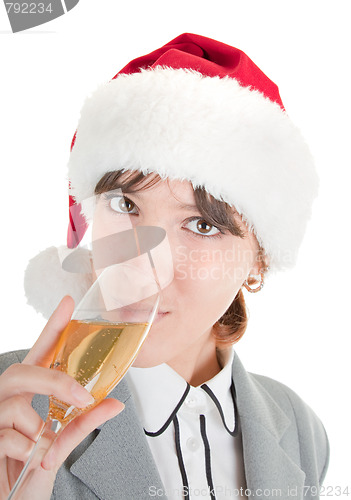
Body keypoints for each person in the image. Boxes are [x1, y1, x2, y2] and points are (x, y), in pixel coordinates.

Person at [0, 33, 329, 500]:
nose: (146, 267)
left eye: (201, 225)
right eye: (125, 203)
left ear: (259, 258)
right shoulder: (10, 410)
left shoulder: (299, 429)